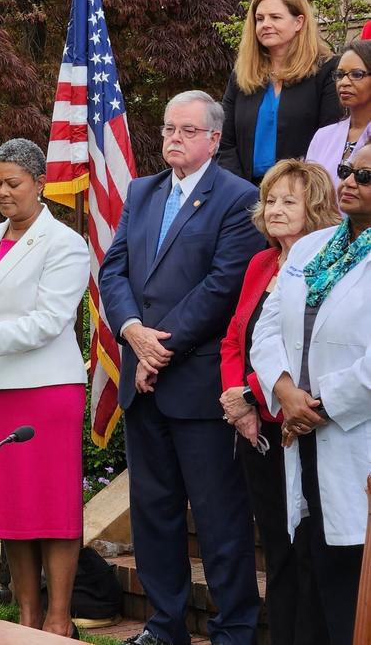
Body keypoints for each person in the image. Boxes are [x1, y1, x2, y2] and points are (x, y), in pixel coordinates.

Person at [99, 90, 266, 645]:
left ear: (215, 140)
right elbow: (115, 270)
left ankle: (235, 628)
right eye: (169, 128)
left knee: (219, 519)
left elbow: (222, 287)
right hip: (142, 386)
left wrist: (158, 350)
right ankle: (164, 625)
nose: (173, 137)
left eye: (187, 130)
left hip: (196, 386)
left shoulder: (239, 198)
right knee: (155, 514)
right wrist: (130, 332)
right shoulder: (142, 192)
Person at [0, 138, 89, 639]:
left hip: (44, 390)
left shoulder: (65, 244)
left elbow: (51, 320)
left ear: (40, 183)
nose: (3, 192)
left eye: (13, 183)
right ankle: (27, 614)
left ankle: (58, 617)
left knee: (50, 505)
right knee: (13, 506)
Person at [250, 143, 371, 645]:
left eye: (363, 177)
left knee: (353, 581)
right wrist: (284, 392)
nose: (348, 181)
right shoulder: (309, 248)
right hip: (304, 432)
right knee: (313, 566)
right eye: (346, 170)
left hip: (353, 435)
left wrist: (317, 405)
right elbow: (267, 329)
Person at [218, 159, 338, 645]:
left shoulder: (327, 265)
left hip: (303, 425)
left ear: (316, 209)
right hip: (257, 431)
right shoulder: (260, 263)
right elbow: (235, 337)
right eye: (270, 200)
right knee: (278, 548)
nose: (276, 209)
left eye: (290, 200)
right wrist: (238, 401)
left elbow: (304, 349)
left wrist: (252, 392)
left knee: (310, 548)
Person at [219, 0, 342, 183]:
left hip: (304, 191)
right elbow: (225, 143)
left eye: (275, 17)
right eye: (259, 19)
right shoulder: (242, 75)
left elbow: (330, 141)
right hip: (244, 192)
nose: (265, 24)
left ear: (299, 22)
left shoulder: (327, 71)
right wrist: (238, 189)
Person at [306, 40, 371, 190]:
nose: (344, 82)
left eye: (356, 74)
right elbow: (309, 193)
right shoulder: (323, 137)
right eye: (340, 75)